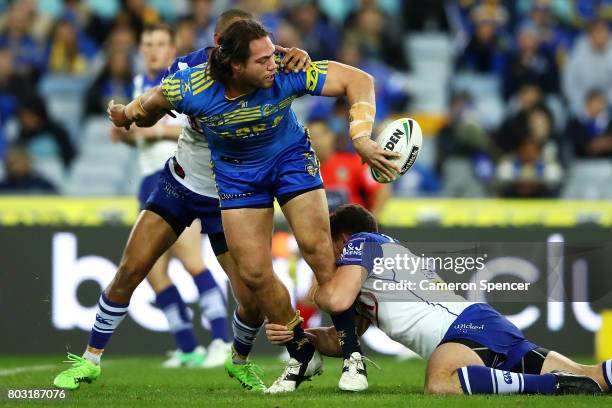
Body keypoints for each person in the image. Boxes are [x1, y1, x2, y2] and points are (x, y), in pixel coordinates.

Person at [106, 19, 400, 393]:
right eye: (262, 60)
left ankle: (353, 356)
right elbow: (147, 106)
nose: (273, 64)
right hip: (237, 176)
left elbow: (359, 81)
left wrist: (360, 137)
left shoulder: (287, 71)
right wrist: (126, 116)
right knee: (255, 275)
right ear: (235, 66)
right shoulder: (191, 86)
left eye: (272, 53)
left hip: (290, 161)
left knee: (319, 252)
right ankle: (301, 353)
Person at [52, 10, 312, 392]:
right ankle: (90, 359)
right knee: (132, 267)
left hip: (231, 196)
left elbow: (311, 76)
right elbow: (153, 107)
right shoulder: (188, 70)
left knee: (251, 296)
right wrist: (127, 115)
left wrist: (298, 55)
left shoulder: (268, 71)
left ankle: (238, 359)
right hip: (182, 184)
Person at [265, 204, 610, 396]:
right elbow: (344, 342)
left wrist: (315, 288)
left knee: (440, 382)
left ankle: (553, 387)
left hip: (463, 329)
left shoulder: (364, 242)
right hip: (481, 325)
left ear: (342, 238)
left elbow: (335, 298)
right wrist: (301, 336)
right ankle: (577, 382)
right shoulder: (374, 274)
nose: (326, 256)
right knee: (590, 375)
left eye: (329, 247)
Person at [110, 23, 231, 368]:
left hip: (179, 177)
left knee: (192, 262)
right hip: (146, 180)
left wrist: (148, 129)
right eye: (147, 43)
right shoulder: (138, 84)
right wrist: (136, 129)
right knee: (154, 272)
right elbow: (119, 134)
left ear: (172, 47)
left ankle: (222, 340)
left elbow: (180, 128)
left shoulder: (182, 78)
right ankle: (188, 346)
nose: (152, 50)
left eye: (160, 43)